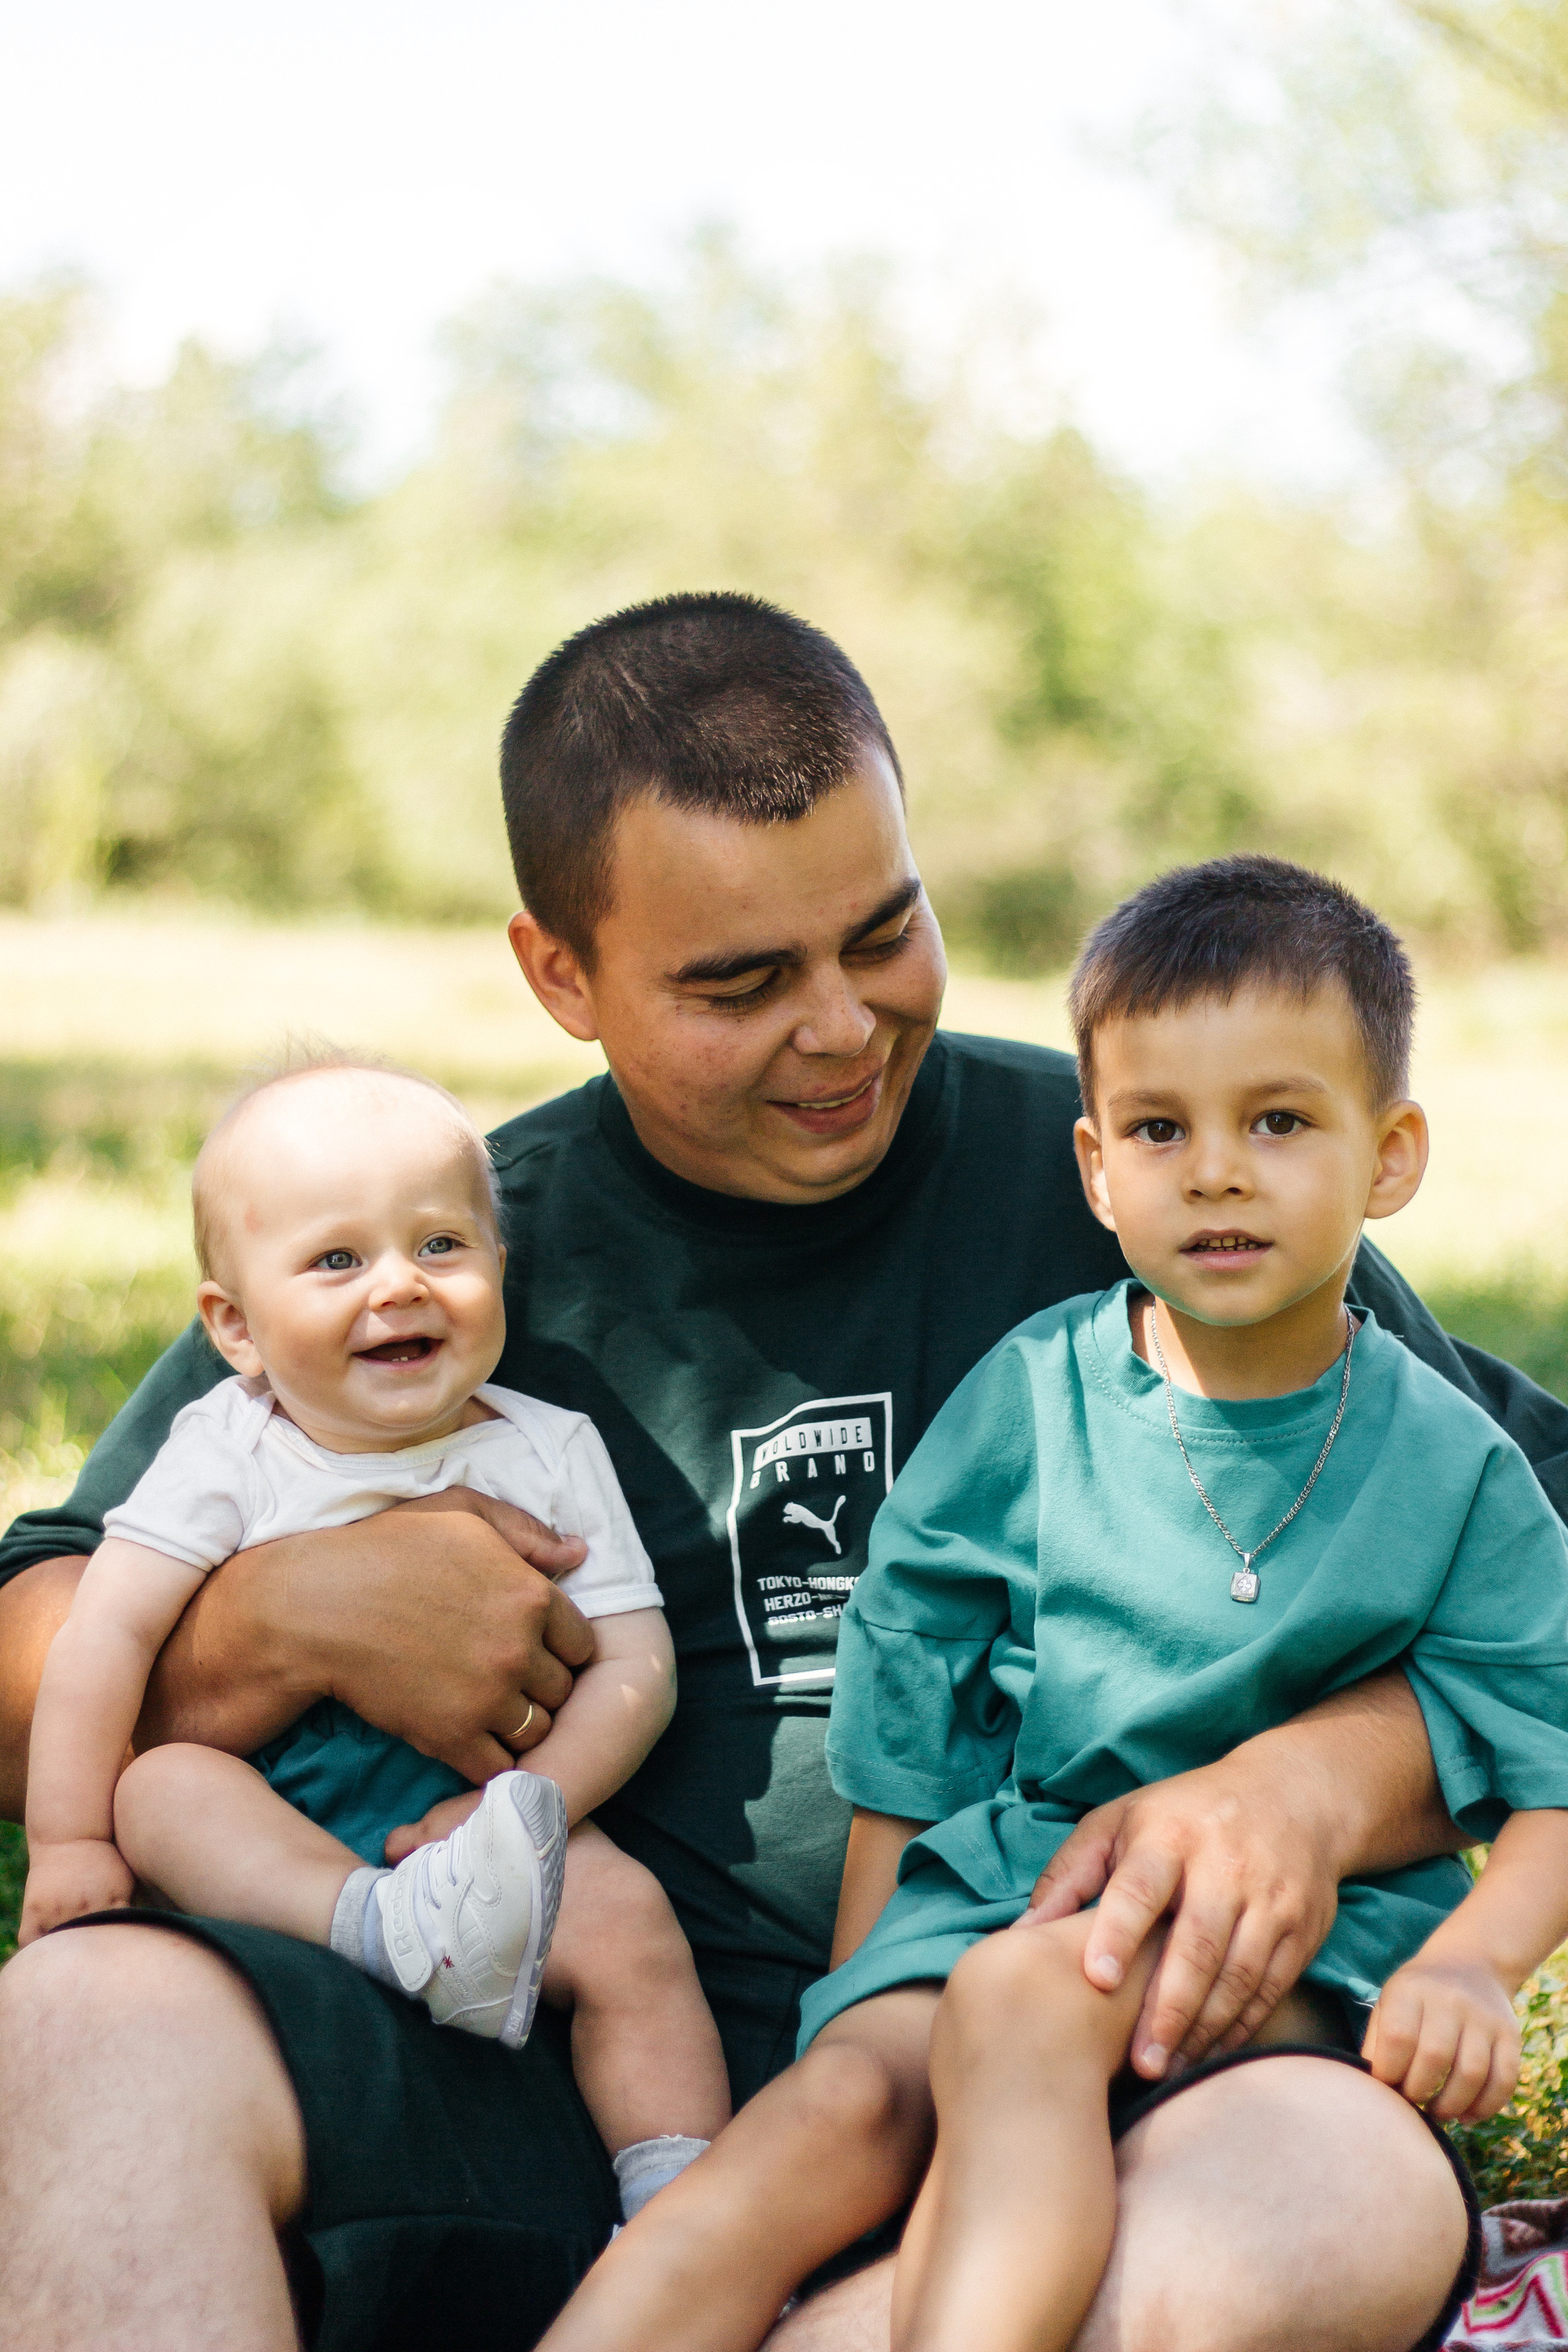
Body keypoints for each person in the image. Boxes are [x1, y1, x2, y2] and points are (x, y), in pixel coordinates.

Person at [1, 595, 1566, 2352]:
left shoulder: (1159, 1174)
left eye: (883, 935)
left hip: (1101, 2073)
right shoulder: (447, 1257)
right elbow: (32, 1669)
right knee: (77, 2027)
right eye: (741, 983)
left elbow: (1527, 1588)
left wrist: (1313, 1788)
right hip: (547, 2065)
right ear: (560, 974)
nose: (839, 1029)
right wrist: (277, 1621)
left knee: (1321, 2196)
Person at [541, 855, 1568, 2352]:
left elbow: (1547, 1746)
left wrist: (1476, 1961)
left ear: (1390, 1154)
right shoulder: (1035, 1397)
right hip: (996, 1895)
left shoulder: (1450, 1465)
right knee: (813, 2120)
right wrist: (866, 1983)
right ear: (1095, 1171)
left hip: (1282, 1953)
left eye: (1276, 1122)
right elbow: (906, 1698)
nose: (1213, 1171)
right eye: (1160, 1129)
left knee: (1029, 2001)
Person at [19, 1055, 729, 2224]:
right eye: (337, 1260)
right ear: (235, 1327)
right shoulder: (230, 1447)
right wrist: (66, 1842)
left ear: (502, 1266)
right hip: (279, 1829)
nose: (399, 1286)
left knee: (636, 1936)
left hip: (477, 1819)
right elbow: (109, 1628)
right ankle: (378, 1928)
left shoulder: (549, 1450)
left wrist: (527, 1811)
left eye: (442, 1246)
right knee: (164, 1790)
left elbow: (637, 1667)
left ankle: (682, 2212)